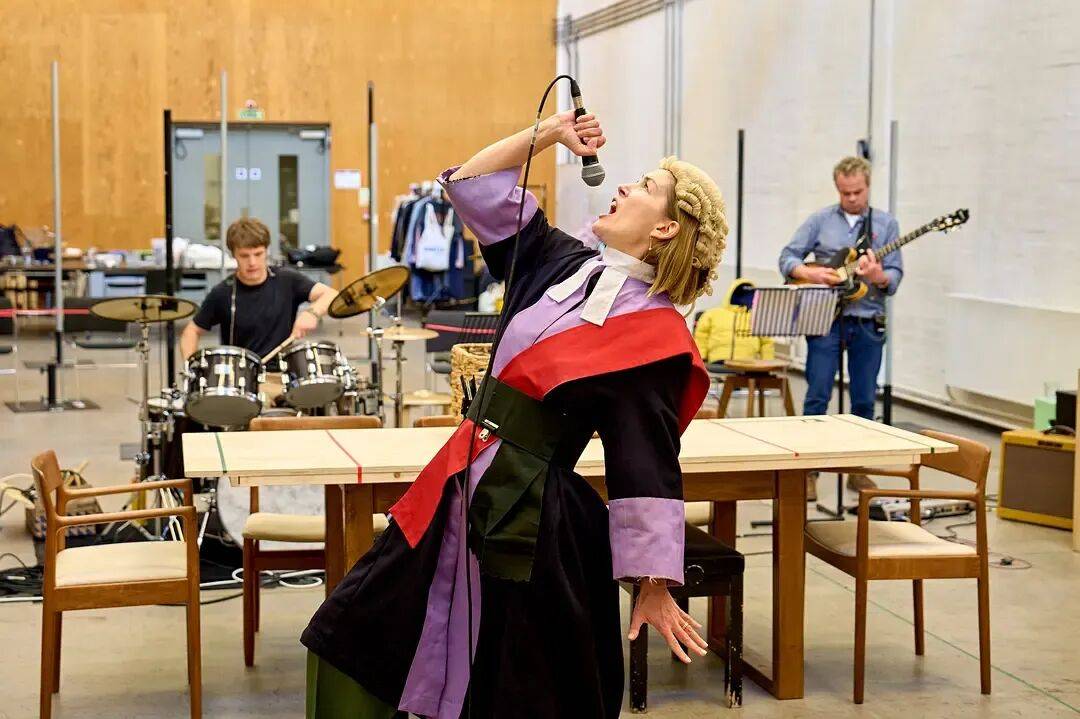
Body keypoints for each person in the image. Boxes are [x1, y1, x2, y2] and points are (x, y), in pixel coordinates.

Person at [301, 109, 728, 718]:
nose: (625, 186)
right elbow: (472, 185)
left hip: (537, 521)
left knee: (513, 688)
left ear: (665, 229)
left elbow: (646, 462)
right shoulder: (559, 261)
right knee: (350, 636)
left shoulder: (655, 338)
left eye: (646, 186)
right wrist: (550, 133)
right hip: (457, 481)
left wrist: (653, 584)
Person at [778, 156, 903, 493]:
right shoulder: (819, 221)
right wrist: (811, 274)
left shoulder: (886, 225)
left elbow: (894, 276)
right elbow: (787, 257)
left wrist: (878, 275)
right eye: (845, 192)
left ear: (868, 187)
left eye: (857, 192)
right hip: (825, 320)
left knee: (864, 399)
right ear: (837, 188)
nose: (852, 198)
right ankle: (808, 473)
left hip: (867, 320)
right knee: (817, 395)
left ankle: (857, 470)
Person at [179, 217, 337, 362]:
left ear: (266, 251)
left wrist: (312, 313)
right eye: (244, 256)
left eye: (258, 254)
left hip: (282, 373)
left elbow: (331, 294)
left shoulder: (287, 280)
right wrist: (191, 369)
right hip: (243, 377)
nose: (252, 262)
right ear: (233, 255)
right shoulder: (222, 292)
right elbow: (191, 331)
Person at [693, 278, 775, 364]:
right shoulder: (712, 314)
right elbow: (701, 337)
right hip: (717, 363)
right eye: (740, 293)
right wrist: (701, 360)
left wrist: (767, 364)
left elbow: (766, 343)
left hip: (747, 365)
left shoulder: (756, 317)